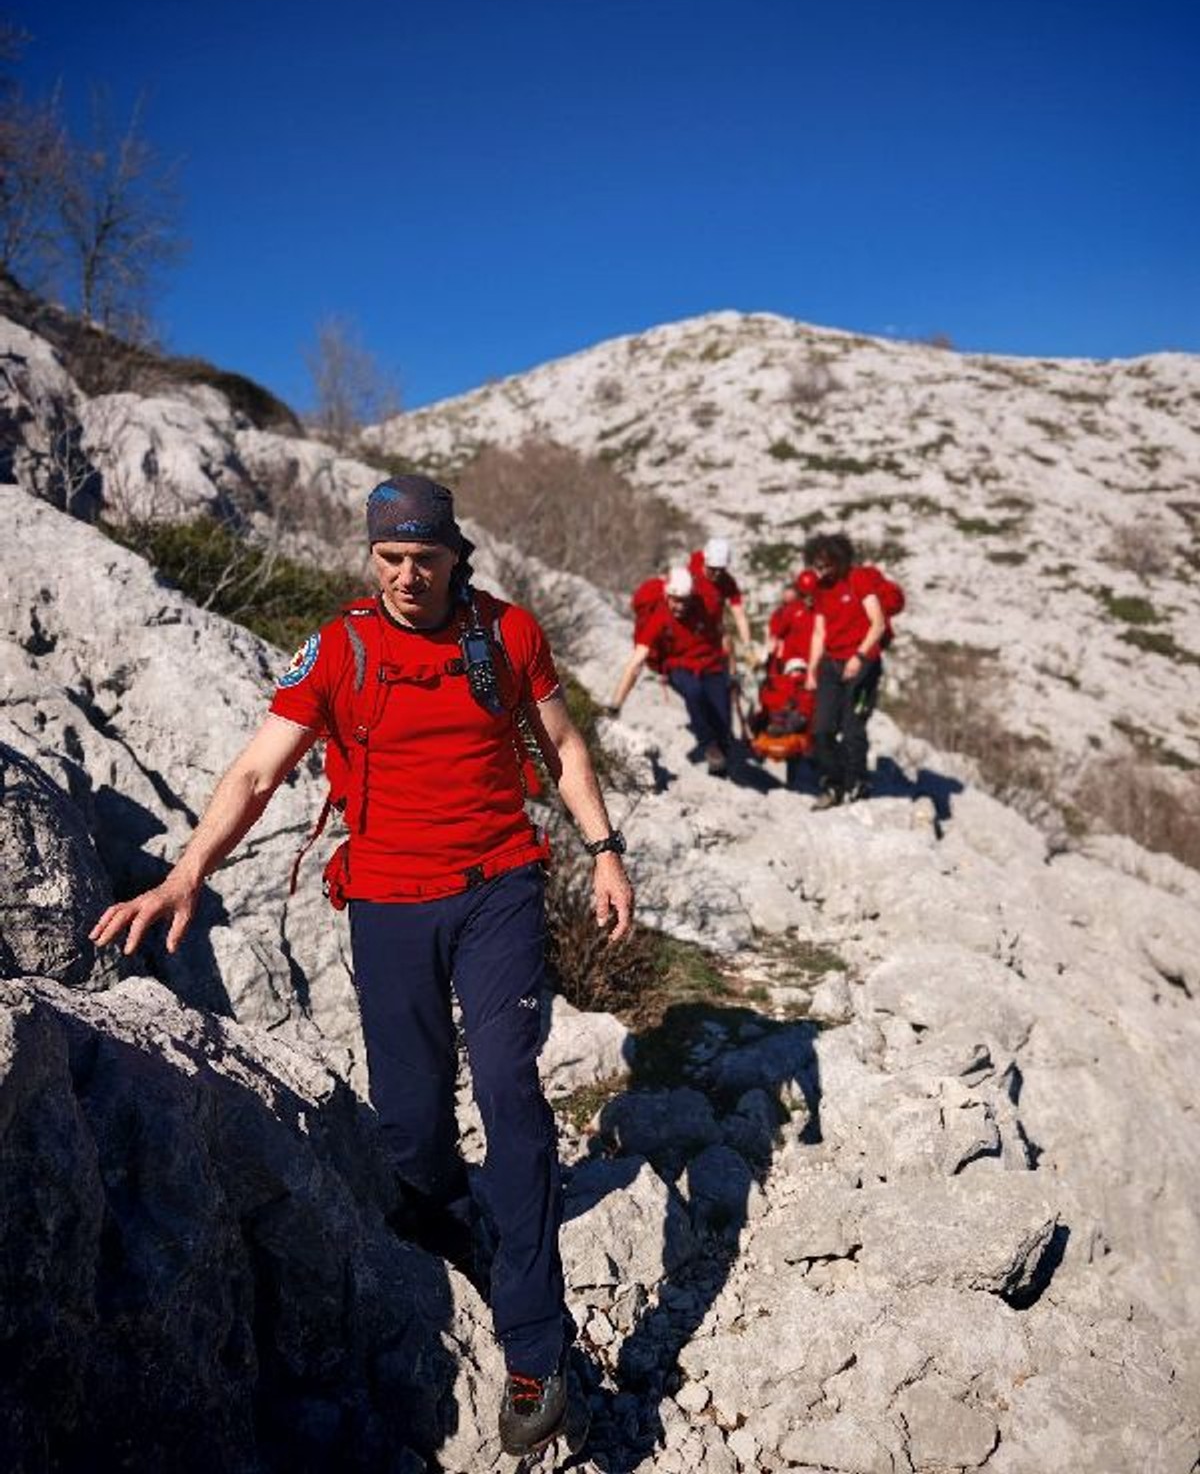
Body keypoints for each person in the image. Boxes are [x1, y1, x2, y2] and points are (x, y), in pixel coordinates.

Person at [89, 474, 634, 1459]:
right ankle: (460, 1233)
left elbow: (561, 744)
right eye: (390, 559)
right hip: (386, 901)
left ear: (454, 555)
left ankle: (534, 1347)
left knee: (511, 1088)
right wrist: (184, 876)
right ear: (370, 557)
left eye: (424, 559)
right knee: (411, 1123)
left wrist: (604, 848)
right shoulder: (338, 649)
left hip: (498, 887)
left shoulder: (506, 634)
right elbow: (258, 770)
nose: (407, 577)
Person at [608, 564, 734, 774]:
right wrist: (616, 704)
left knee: (722, 715)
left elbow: (723, 633)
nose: (680, 606)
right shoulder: (658, 618)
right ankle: (709, 745)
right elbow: (636, 663)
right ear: (667, 595)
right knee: (694, 691)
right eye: (675, 600)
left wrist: (731, 668)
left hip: (709, 662)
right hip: (677, 665)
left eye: (684, 601)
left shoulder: (705, 607)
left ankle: (720, 753)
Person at [804, 532, 888, 809]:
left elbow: (878, 623)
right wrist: (811, 670)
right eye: (817, 566)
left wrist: (859, 656)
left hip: (863, 662)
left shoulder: (858, 579)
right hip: (832, 662)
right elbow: (819, 631)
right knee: (822, 730)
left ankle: (858, 782)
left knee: (853, 728)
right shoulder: (819, 588)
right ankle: (834, 783)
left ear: (840, 561)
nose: (821, 572)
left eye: (826, 566)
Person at [690, 536, 753, 655]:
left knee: (727, 644)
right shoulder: (692, 567)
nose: (717, 574)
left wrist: (747, 646)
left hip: (712, 627)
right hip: (690, 624)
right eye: (713, 569)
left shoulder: (727, 582)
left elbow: (739, 615)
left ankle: (730, 673)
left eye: (721, 569)